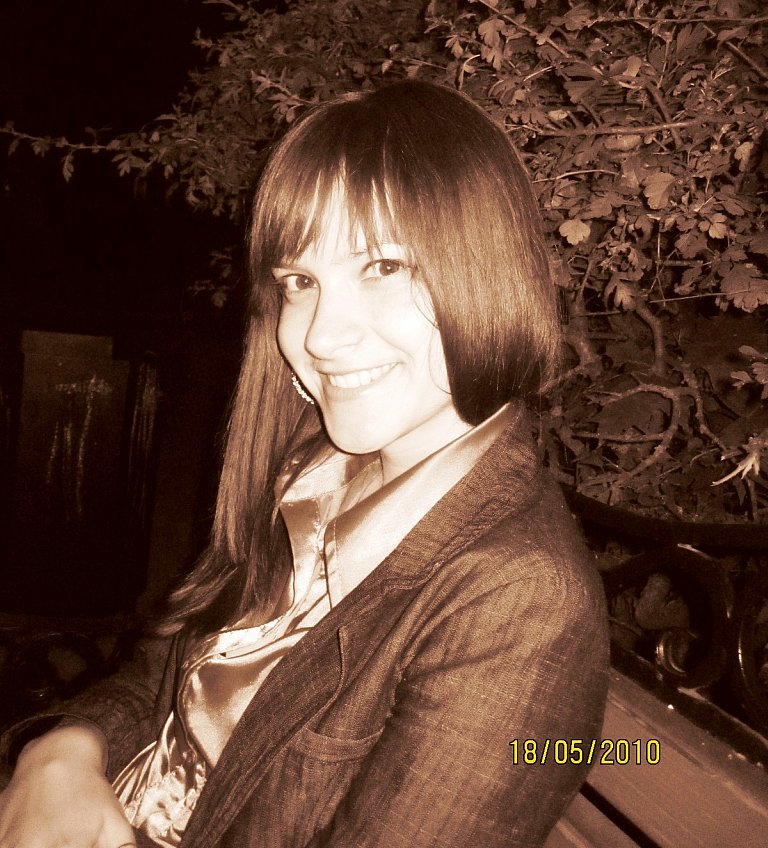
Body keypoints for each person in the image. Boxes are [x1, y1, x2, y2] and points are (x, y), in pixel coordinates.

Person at [0, 80, 609, 848]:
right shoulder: (312, 470)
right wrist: (64, 747)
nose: (320, 336)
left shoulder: (517, 605)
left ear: (486, 269)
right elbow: (171, 673)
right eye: (300, 282)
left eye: (383, 267)